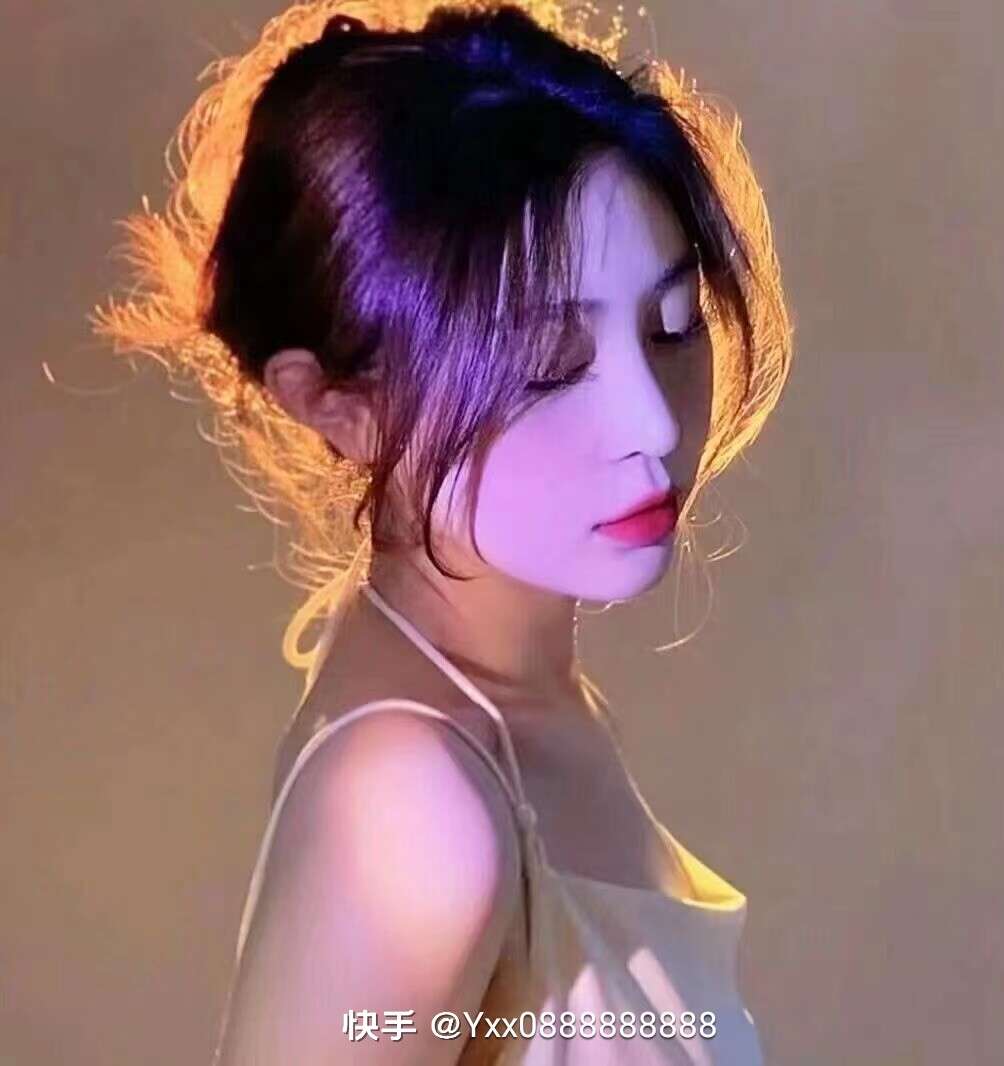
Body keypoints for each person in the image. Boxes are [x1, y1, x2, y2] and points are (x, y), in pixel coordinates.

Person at [90, 2, 793, 1062]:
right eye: (548, 365)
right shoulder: (414, 811)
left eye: (672, 325)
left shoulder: (522, 709)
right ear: (338, 405)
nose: (651, 423)